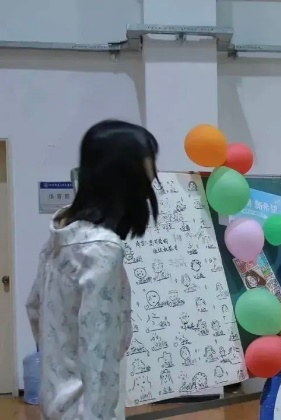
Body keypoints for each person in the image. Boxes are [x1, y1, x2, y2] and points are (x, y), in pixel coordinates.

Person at [26, 120, 160, 420]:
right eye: (150, 162)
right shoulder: (102, 249)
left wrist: (58, 363)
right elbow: (99, 348)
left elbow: (34, 308)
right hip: (87, 410)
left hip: (55, 402)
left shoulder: (59, 236)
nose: (154, 175)